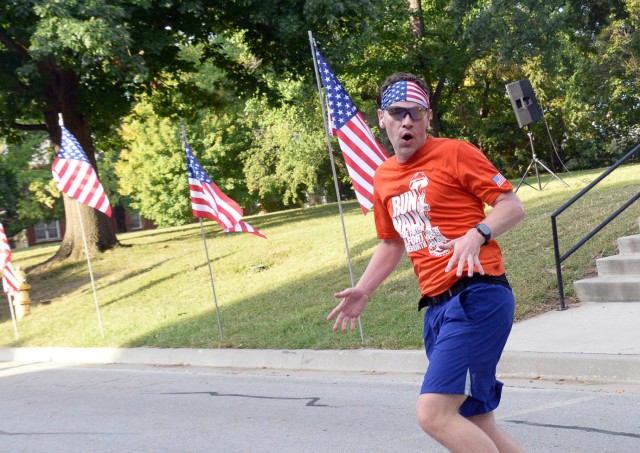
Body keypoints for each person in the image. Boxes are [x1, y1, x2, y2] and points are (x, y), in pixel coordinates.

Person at [327, 72, 525, 453]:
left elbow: (511, 206)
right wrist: (364, 290)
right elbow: (391, 243)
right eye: (398, 113)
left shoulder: (455, 152)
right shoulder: (383, 177)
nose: (407, 122)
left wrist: (477, 233)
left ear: (427, 117)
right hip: (436, 308)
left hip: (477, 296)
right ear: (381, 118)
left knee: (433, 413)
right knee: (476, 423)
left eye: (415, 113)